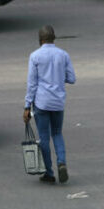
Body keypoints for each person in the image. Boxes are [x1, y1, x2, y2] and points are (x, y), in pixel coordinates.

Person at [23, 25, 76, 184]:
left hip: (42, 102)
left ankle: (49, 173)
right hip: (58, 102)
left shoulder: (35, 56)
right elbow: (72, 78)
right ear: (55, 38)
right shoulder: (63, 55)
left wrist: (27, 106)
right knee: (58, 133)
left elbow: (32, 84)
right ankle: (62, 162)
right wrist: (58, 78)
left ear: (40, 40)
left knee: (44, 137)